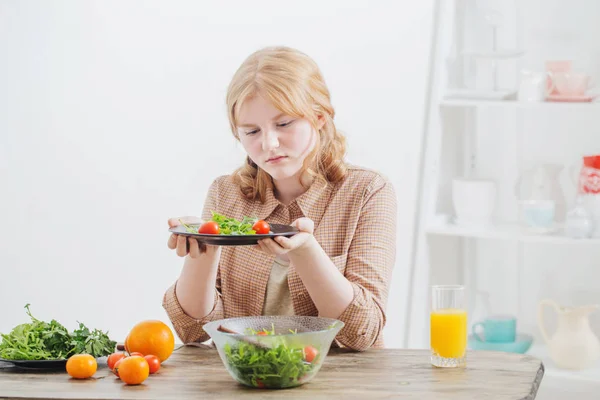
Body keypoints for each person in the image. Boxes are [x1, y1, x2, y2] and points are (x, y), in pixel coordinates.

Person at [162, 46, 396, 351]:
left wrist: (306, 251)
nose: (269, 144)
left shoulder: (367, 192)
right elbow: (193, 331)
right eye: (251, 131)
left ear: (320, 117)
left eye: (284, 124)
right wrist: (202, 248)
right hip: (247, 380)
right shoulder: (226, 193)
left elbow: (361, 333)